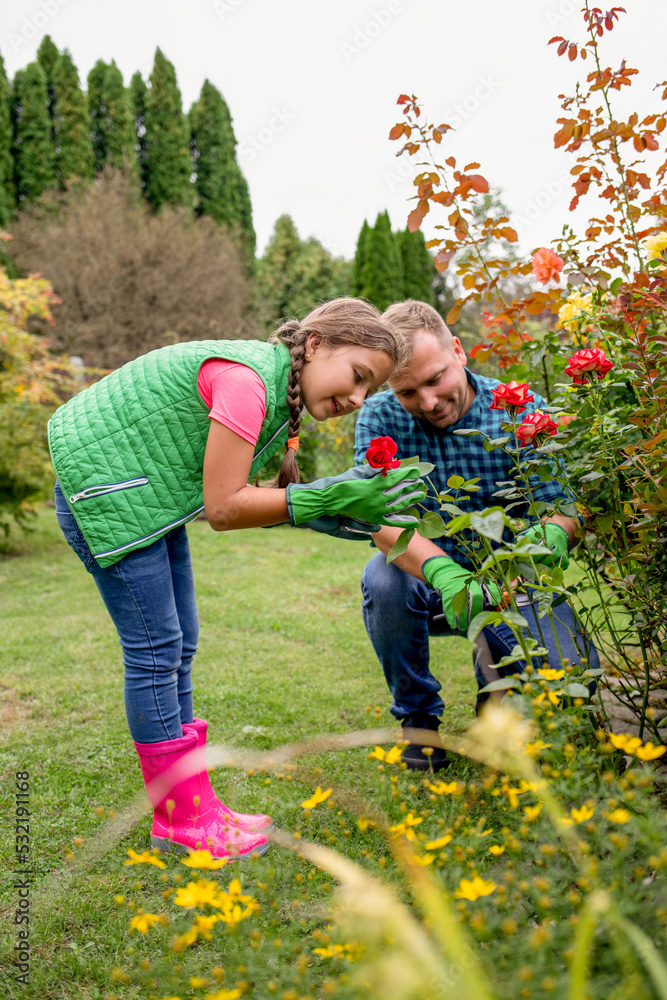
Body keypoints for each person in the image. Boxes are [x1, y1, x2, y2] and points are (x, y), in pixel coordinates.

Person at [49, 297, 425, 858]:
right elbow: (224, 508)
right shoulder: (249, 385)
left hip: (146, 495)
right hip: (108, 493)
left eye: (369, 391)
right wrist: (330, 495)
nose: (356, 399)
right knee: (155, 649)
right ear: (317, 344)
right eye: (357, 377)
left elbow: (252, 501)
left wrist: (342, 506)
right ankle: (179, 817)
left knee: (181, 642)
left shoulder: (272, 386)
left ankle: (194, 802)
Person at [354, 300, 599, 771]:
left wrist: (528, 562)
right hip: (429, 582)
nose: (427, 402)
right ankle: (419, 723)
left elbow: (561, 507)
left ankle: (498, 693)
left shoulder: (518, 408)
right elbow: (383, 522)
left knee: (576, 679)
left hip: (517, 580)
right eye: (408, 391)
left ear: (459, 352)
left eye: (435, 379)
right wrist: (446, 575)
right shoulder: (381, 417)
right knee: (382, 579)